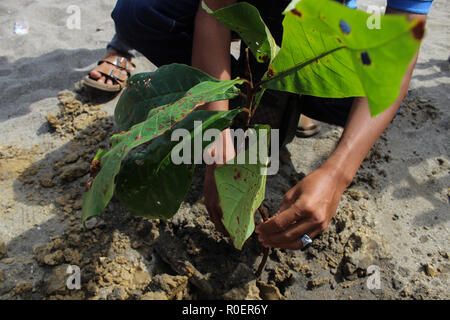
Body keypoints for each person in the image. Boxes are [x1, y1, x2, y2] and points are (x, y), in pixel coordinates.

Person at [84, 0, 433, 250]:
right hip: (246, 9)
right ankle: (247, 93)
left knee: (365, 102)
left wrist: (338, 173)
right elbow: (216, 12)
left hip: (317, 24)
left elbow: (397, 52)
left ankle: (286, 95)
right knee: (140, 11)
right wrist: (215, 131)